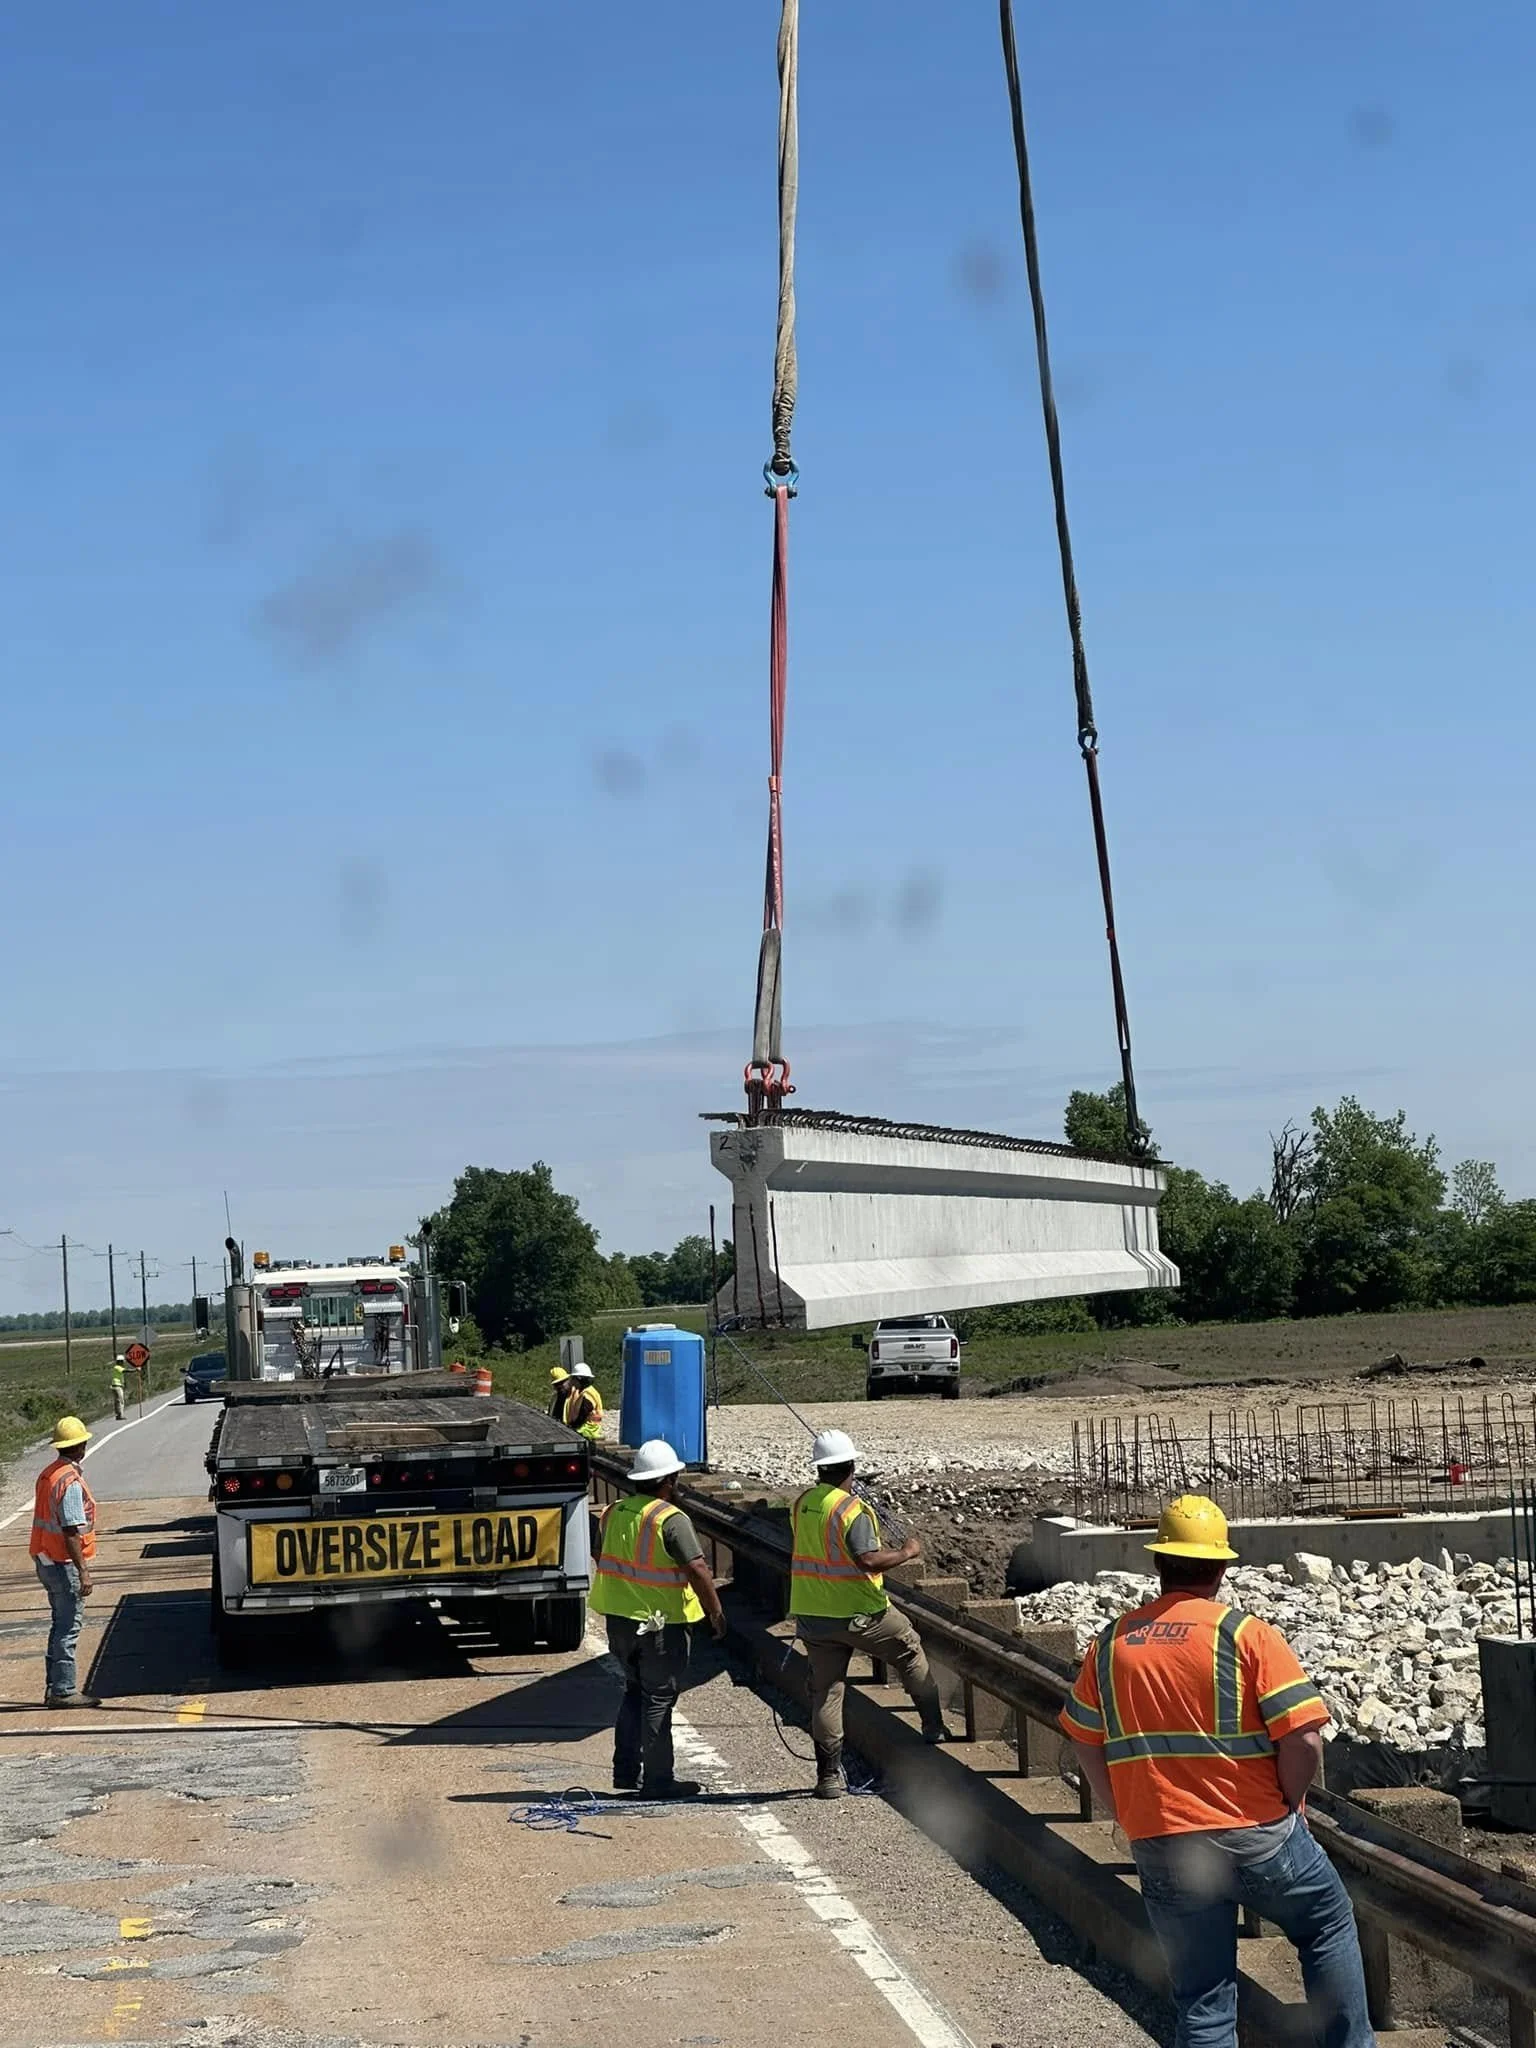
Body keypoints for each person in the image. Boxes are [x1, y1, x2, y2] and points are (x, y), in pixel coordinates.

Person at [1061, 1494, 1373, 2048]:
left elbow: (1083, 1739)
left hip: (1164, 1844)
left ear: (1159, 1562)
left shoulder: (1111, 1644)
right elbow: (1303, 1737)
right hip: (1257, 1835)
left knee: (1203, 2000)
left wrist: (1127, 1814)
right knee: (1325, 1923)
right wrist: (1288, 1802)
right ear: (1222, 1568)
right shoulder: (1245, 1634)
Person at [789, 1429, 949, 1799]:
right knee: (908, 1647)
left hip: (813, 1614)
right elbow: (868, 1560)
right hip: (860, 1613)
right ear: (851, 1466)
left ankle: (828, 1777)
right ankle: (933, 1724)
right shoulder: (850, 1509)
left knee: (827, 1692)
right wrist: (908, 1552)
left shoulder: (803, 1503)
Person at [589, 1437, 726, 1798]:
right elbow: (697, 1569)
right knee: (659, 1698)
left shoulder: (615, 1512)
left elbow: (603, 1554)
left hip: (620, 1621)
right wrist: (714, 1611)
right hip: (660, 1625)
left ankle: (625, 1771)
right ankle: (658, 1780)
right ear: (669, 1481)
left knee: (635, 1692)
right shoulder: (670, 1519)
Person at [29, 1417, 99, 1709]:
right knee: (68, 1628)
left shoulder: (50, 1473)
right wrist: (83, 1572)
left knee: (59, 1624)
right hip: (62, 1562)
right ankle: (64, 1690)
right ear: (80, 1445)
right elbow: (71, 1530)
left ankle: (55, 1687)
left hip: (45, 1558)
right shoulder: (69, 1481)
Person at [560, 1361, 605, 1441]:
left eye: (573, 1379)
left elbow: (583, 1414)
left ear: (579, 1379)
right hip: (591, 1429)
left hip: (586, 1430)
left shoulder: (587, 1394)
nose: (572, 1382)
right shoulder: (588, 1391)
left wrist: (572, 1427)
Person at [111, 1356, 126, 1422]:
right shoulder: (117, 1367)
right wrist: (135, 1370)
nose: (123, 1363)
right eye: (122, 1361)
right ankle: (120, 1415)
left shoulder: (117, 1368)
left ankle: (118, 1415)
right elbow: (125, 1371)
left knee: (117, 1401)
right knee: (120, 1401)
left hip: (116, 1386)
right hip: (117, 1386)